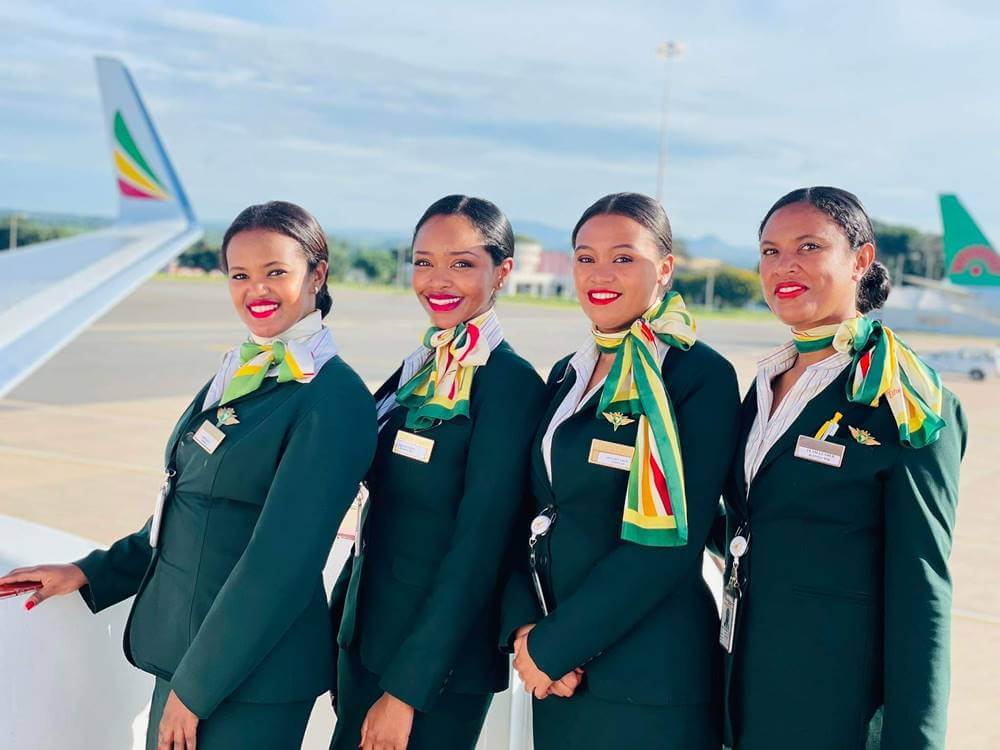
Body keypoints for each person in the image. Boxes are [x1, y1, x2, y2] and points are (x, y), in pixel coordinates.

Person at [0, 201, 377, 750]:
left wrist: (196, 692)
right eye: (239, 275)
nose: (256, 290)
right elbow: (189, 505)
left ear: (317, 274)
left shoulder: (333, 398)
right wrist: (90, 571)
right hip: (189, 657)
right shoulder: (243, 370)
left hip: (249, 678)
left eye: (276, 272)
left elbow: (281, 565)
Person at [720, 186, 967, 750]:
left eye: (809, 246)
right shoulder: (762, 388)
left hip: (837, 713)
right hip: (745, 698)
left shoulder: (908, 403)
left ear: (861, 259)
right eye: (770, 251)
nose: (784, 265)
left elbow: (922, 591)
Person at [503, 192, 740, 749]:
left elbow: (669, 544)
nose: (600, 274)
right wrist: (523, 629)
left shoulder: (697, 377)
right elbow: (531, 510)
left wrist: (555, 645)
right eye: (585, 258)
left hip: (647, 678)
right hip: (560, 679)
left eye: (623, 258)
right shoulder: (567, 373)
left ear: (665, 268)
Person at [328, 195, 547, 750]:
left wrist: (406, 690)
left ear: (503, 272)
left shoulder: (509, 384)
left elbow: (480, 548)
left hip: (431, 673)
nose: (437, 280)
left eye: (462, 263)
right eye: (424, 262)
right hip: (368, 645)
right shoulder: (422, 366)